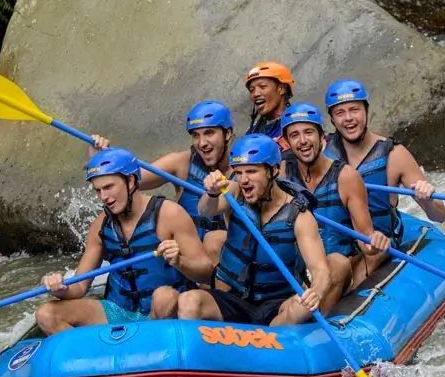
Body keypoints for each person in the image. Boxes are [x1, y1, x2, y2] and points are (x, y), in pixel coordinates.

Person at [35, 148, 215, 335]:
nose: (104, 197)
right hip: (118, 312)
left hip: (160, 314)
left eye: (109, 187)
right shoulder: (100, 225)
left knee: (164, 296)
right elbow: (79, 287)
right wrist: (60, 288)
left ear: (130, 181)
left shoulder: (170, 214)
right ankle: (97, 360)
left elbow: (206, 273)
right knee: (46, 314)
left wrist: (180, 261)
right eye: (98, 190)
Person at [177, 134, 331, 327]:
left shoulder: (300, 216)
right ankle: (199, 356)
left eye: (251, 171)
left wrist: (316, 292)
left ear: (273, 170)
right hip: (235, 299)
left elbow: (320, 270)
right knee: (188, 301)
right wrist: (212, 193)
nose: (244, 180)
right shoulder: (233, 193)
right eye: (239, 172)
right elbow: (205, 210)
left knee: (301, 307)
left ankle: (270, 344)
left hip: (276, 304)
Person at [323, 78, 445, 278]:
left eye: (354, 110)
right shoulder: (322, 152)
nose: (348, 118)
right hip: (335, 245)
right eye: (340, 113)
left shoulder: (395, 155)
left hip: (377, 247)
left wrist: (428, 200)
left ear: (366, 110)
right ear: (332, 119)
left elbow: (439, 216)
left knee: (364, 260)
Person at [86, 100, 234, 263]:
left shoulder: (245, 172)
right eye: (195, 135)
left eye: (209, 133)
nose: (202, 143)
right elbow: (130, 181)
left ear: (227, 134)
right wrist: (102, 162)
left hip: (224, 260)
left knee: (214, 239)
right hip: (184, 258)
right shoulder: (181, 163)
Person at [279, 102, 391, 312]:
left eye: (309, 132)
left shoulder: (347, 177)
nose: (303, 141)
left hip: (340, 268)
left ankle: (318, 325)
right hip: (300, 269)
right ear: (287, 142)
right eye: (294, 135)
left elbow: (364, 236)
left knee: (336, 263)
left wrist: (375, 243)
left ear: (322, 136)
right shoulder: (282, 175)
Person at [244, 61, 294, 153]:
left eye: (262, 86)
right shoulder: (251, 132)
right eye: (252, 90)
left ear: (281, 89)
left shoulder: (298, 124)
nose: (255, 94)